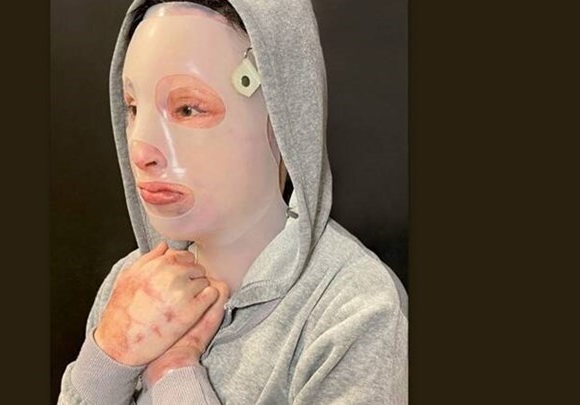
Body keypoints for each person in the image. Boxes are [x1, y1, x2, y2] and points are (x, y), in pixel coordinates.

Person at [58, 0, 408, 403]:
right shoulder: (134, 287)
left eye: (187, 108)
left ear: (284, 116)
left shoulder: (354, 310)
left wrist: (174, 374)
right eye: (133, 107)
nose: (141, 150)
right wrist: (107, 358)